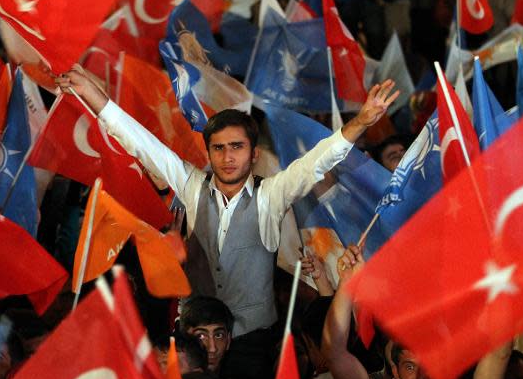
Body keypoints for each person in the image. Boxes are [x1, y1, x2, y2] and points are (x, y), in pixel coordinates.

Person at [55, 65, 399, 339]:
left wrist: (362, 121)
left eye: (237, 147)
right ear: (209, 153)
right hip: (193, 337)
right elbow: (141, 143)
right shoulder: (191, 185)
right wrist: (93, 96)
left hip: (252, 341)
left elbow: (316, 163)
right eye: (219, 148)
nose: (227, 157)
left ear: (253, 155)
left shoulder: (271, 195)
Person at [323, 243, 511, 379]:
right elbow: (334, 354)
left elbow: (500, 352)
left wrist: (502, 284)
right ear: (395, 371)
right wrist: (346, 283)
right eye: (410, 367)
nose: (421, 378)